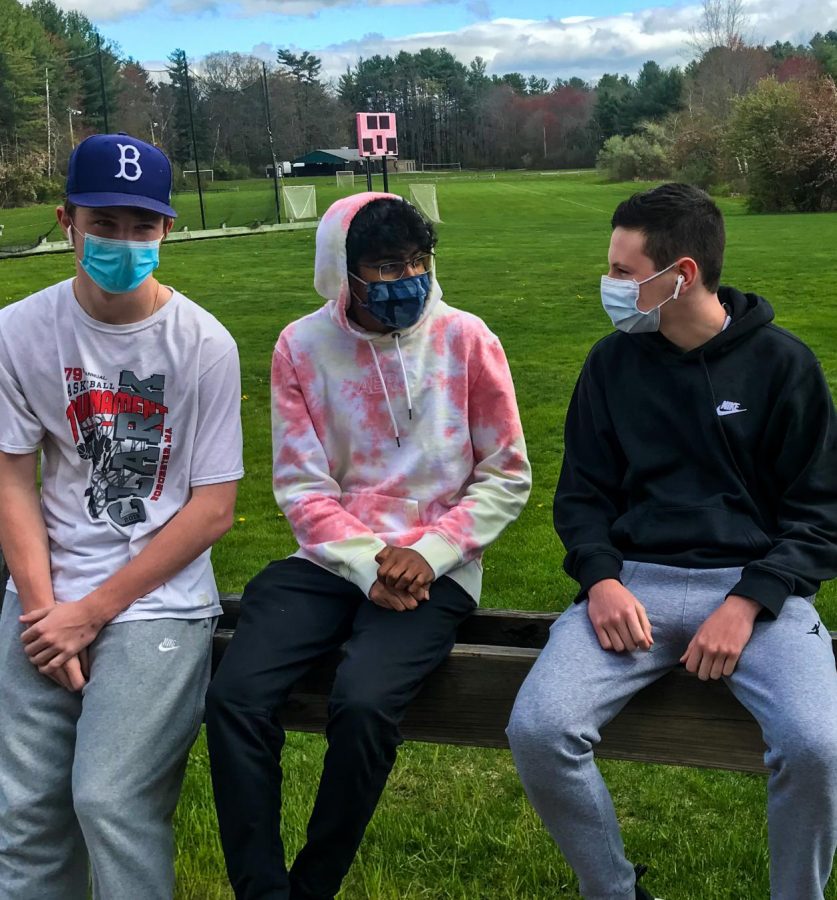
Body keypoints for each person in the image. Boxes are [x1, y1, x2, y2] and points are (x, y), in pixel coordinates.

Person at [507, 182, 837, 900]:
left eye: (623, 273)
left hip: (757, 594)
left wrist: (748, 600)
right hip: (632, 585)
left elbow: (821, 512)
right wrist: (599, 580)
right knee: (538, 730)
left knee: (817, 747)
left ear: (678, 275)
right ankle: (616, 892)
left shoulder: (782, 366)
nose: (609, 286)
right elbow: (582, 497)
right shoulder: (609, 365)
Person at [206, 192, 531, 900]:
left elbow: (506, 474)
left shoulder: (467, 339)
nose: (406, 278)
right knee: (235, 696)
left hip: (436, 563)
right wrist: (365, 562)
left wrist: (434, 552)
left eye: (417, 261)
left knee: (363, 704)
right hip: (330, 556)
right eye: (385, 266)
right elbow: (299, 485)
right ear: (341, 272)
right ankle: (262, 890)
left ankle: (313, 884)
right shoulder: (300, 346)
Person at [0, 133, 243, 900]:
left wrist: (92, 613)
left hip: (154, 600)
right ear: (67, 221)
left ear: (167, 229)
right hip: (43, 595)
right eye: (104, 224)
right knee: (23, 812)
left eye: (142, 226)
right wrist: (46, 612)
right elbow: (11, 480)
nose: (123, 242)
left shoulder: (203, 344)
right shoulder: (17, 331)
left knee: (110, 799)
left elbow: (211, 510)